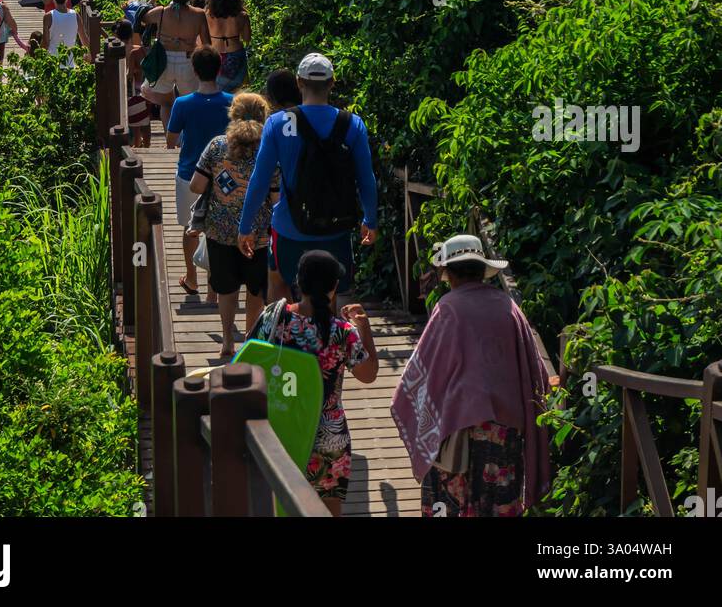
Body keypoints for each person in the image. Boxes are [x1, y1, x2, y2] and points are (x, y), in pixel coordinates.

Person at [391, 233, 552, 518]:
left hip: (458, 431)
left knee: (451, 505)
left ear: (449, 273)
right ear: (483, 271)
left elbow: (424, 370)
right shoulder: (509, 308)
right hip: (504, 431)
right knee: (498, 506)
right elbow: (534, 369)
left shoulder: (448, 309)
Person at [237, 52, 378, 303]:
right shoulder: (352, 124)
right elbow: (365, 178)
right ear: (332, 83)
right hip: (336, 226)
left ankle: (286, 336)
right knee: (330, 290)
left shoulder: (278, 123)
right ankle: (326, 337)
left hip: (289, 226)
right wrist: (371, 219)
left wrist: (245, 226)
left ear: (299, 83)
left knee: (278, 280)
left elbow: (260, 180)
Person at [249, 250, 378, 514]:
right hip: (327, 435)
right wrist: (364, 328)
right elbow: (369, 374)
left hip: (279, 426)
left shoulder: (275, 317)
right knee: (329, 507)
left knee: (277, 503)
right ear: (333, 288)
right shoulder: (342, 333)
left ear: (299, 282)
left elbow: (249, 358)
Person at [190, 92, 276, 357]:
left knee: (226, 289)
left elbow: (196, 185)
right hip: (258, 234)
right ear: (265, 116)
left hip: (219, 231)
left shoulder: (216, 146)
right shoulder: (269, 150)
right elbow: (275, 198)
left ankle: (227, 339)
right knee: (255, 290)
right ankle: (251, 340)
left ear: (233, 114)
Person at [165, 45, 232, 296]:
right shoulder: (231, 102)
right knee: (217, 229)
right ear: (219, 69)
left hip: (189, 173)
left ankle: (192, 278)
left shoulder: (182, 103)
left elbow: (171, 140)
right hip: (224, 175)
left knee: (190, 227)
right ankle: (214, 286)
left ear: (194, 70)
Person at [139, 0, 211, 128]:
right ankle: (187, 138)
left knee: (166, 103)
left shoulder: (161, 12)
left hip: (164, 62)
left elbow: (142, 15)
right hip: (188, 61)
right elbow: (207, 44)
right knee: (191, 103)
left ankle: (170, 141)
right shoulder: (198, 14)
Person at [205, 0, 251, 90]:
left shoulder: (207, 15)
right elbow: (247, 39)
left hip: (215, 57)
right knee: (236, 93)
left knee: (216, 91)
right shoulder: (242, 16)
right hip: (236, 55)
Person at [42, 0, 89, 67]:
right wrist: (88, 55)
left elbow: (46, 42)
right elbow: (84, 39)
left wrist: (39, 58)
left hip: (53, 62)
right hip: (70, 61)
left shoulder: (48, 17)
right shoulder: (75, 15)